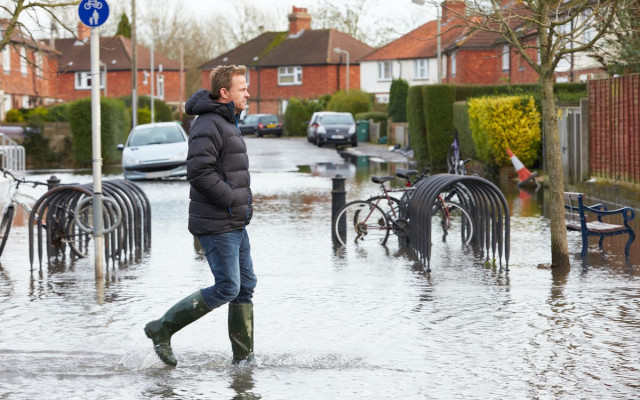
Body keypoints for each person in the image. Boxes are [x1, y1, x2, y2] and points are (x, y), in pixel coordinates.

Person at [144, 65, 256, 367]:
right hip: (218, 221)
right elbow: (198, 171)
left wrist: (239, 205)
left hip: (234, 220)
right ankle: (162, 327)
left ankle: (244, 362)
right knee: (228, 287)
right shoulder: (208, 123)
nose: (248, 93)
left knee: (245, 286)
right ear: (225, 93)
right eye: (242, 88)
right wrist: (232, 199)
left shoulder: (228, 121)